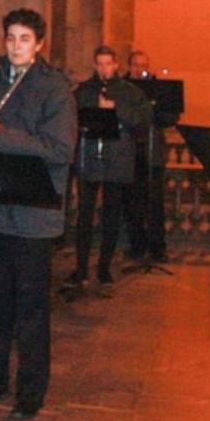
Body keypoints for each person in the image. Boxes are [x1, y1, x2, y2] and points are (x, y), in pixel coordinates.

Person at [0, 8, 76, 418]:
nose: (16, 46)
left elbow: (60, 150)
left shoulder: (55, 88)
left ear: (39, 44)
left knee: (30, 309)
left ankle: (30, 393)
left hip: (33, 215)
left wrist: (3, 136)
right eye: (10, 38)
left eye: (24, 39)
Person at [69, 46, 152, 288]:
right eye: (99, 64)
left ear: (115, 65)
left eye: (108, 64)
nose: (104, 68)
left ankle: (104, 267)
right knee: (84, 216)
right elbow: (71, 117)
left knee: (111, 216)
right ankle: (81, 268)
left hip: (117, 160)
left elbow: (142, 121)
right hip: (89, 158)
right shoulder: (84, 90)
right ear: (95, 65)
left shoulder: (129, 92)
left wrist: (115, 109)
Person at [125, 49, 169, 261]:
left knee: (155, 203)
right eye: (135, 65)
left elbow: (169, 117)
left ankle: (157, 249)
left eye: (143, 66)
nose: (139, 69)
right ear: (129, 66)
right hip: (130, 153)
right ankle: (136, 247)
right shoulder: (123, 87)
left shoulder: (157, 88)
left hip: (153, 152)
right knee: (132, 204)